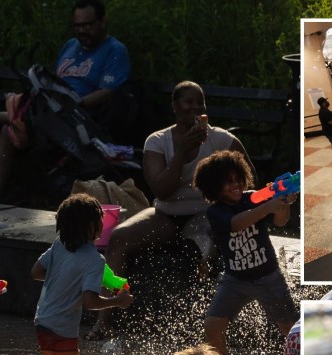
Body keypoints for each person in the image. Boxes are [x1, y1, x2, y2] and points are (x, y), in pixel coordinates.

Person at [88, 81, 255, 339]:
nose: (195, 108)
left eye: (200, 103)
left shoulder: (222, 139)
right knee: (119, 238)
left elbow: (249, 179)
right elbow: (161, 190)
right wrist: (182, 152)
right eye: (189, 102)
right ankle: (104, 320)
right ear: (175, 107)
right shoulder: (158, 141)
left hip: (206, 212)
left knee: (202, 246)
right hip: (166, 212)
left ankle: (199, 326)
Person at [23, 193, 134, 355]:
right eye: (100, 221)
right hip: (62, 328)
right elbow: (90, 301)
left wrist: (63, 280)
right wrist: (118, 301)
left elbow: (36, 272)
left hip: (43, 322)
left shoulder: (58, 245)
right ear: (92, 227)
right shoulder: (94, 260)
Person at [0, 0, 130, 203]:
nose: (82, 31)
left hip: (78, 122)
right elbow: (56, 81)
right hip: (53, 113)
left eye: (88, 25)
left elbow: (108, 91)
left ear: (102, 22)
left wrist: (76, 105)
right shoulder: (70, 46)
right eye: (78, 26)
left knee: (12, 125)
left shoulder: (114, 50)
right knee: (11, 130)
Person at [195, 150, 298, 355]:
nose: (236, 185)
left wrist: (283, 203)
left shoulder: (254, 197)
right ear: (214, 187)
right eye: (228, 182)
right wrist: (268, 206)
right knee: (212, 326)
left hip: (269, 277)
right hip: (235, 280)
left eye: (238, 179)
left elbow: (281, 222)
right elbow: (236, 223)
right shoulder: (216, 211)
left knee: (293, 331)